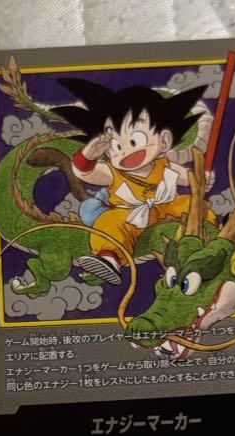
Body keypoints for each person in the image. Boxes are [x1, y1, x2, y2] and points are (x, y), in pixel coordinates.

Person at [54, 78, 214, 285]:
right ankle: (109, 258)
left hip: (165, 208)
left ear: (164, 141)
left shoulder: (164, 165)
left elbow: (189, 179)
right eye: (116, 146)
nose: (125, 152)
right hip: (129, 215)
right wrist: (87, 156)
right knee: (109, 221)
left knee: (193, 205)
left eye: (133, 141)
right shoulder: (112, 172)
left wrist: (201, 181)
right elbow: (84, 173)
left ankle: (212, 236)